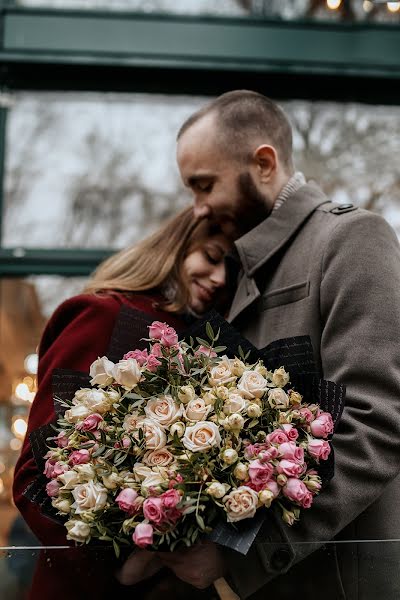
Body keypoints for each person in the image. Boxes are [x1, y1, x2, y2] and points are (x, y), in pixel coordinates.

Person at [158, 90, 400, 600]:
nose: (197, 208)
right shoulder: (239, 263)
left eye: (205, 185)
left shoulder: (352, 238)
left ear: (264, 163)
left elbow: (376, 422)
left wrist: (241, 549)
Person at [12, 206, 233, 600]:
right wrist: (123, 565)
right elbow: (34, 475)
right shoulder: (104, 315)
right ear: (176, 248)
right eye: (211, 257)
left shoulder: (205, 342)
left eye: (231, 272)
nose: (219, 278)